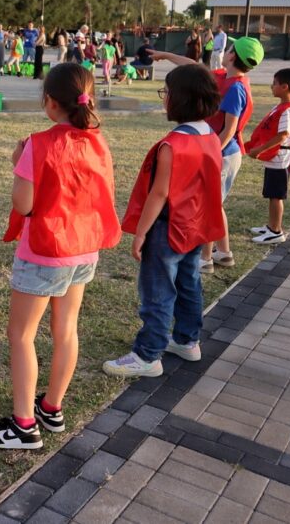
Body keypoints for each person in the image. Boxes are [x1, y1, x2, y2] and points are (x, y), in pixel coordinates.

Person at [0, 63, 121, 448]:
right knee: (66, 330)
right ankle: (52, 407)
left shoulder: (37, 145)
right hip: (83, 249)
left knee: (21, 335)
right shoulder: (98, 142)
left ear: (49, 102)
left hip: (45, 250)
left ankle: (24, 425)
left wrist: (17, 164)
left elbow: (24, 205)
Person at [103, 64, 224, 377]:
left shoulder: (172, 144)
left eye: (166, 92)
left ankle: (148, 354)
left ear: (180, 98)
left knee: (158, 291)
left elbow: (158, 195)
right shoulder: (210, 135)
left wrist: (140, 233)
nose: (164, 97)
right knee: (189, 284)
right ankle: (187, 339)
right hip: (194, 226)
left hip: (167, 228)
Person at [151, 36, 262, 274]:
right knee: (216, 203)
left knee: (209, 204)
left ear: (231, 55)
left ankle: (206, 257)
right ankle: (224, 253)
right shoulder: (224, 77)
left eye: (230, 48)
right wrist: (167, 55)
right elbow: (192, 66)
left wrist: (210, 153)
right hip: (219, 152)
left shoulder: (235, 88)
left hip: (224, 153)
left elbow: (229, 129)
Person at [245, 69, 290, 244]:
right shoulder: (281, 107)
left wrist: (259, 150)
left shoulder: (287, 111)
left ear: (284, 87)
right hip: (276, 159)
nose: (271, 86)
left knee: (276, 195)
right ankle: (271, 225)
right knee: (272, 193)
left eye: (274, 83)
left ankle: (276, 230)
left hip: (281, 158)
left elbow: (283, 135)